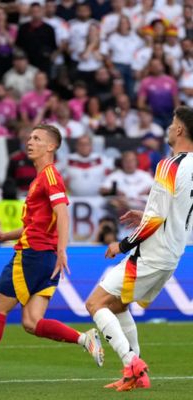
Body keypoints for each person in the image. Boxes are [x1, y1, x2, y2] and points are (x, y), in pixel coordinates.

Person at [0, 124, 103, 382]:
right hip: (44, 258)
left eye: (37, 138)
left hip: (33, 255)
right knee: (32, 322)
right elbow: (32, 225)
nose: (30, 141)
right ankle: (84, 338)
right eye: (29, 137)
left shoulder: (50, 176)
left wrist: (62, 250)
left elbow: (63, 213)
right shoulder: (40, 179)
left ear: (51, 146)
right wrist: (4, 236)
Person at [85, 106, 193, 391]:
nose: (169, 128)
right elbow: (171, 209)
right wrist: (144, 213)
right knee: (119, 304)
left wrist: (121, 245)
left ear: (180, 130)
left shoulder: (169, 165)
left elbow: (156, 219)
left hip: (152, 252)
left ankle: (132, 362)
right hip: (172, 254)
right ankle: (135, 375)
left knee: (95, 304)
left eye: (172, 123)